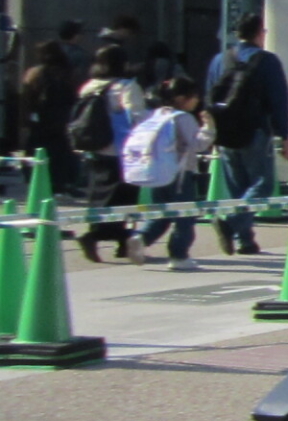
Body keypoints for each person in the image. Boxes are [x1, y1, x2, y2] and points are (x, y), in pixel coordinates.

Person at [202, 12, 288, 258]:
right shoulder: (268, 61)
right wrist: (284, 135)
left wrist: (212, 132)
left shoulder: (220, 60)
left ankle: (246, 240)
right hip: (255, 132)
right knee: (262, 185)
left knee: (237, 187)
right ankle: (231, 224)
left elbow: (209, 96)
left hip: (225, 133)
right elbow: (278, 100)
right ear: (259, 33)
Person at [68, 44, 147, 264]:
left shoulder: (89, 86)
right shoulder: (126, 87)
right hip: (121, 151)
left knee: (98, 196)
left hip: (94, 149)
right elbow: (137, 117)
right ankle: (99, 236)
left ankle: (112, 238)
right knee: (123, 197)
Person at [128, 75, 209, 272]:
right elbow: (197, 145)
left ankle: (140, 237)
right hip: (181, 176)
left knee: (160, 215)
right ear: (182, 98)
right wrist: (209, 129)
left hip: (157, 174)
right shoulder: (184, 118)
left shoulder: (155, 114)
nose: (197, 101)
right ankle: (178, 255)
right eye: (194, 97)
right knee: (185, 218)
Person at [18, 37, 76, 192]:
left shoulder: (35, 73)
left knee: (36, 151)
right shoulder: (66, 72)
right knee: (59, 153)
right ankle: (60, 183)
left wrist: (25, 121)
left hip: (40, 121)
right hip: (62, 120)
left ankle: (34, 180)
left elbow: (27, 99)